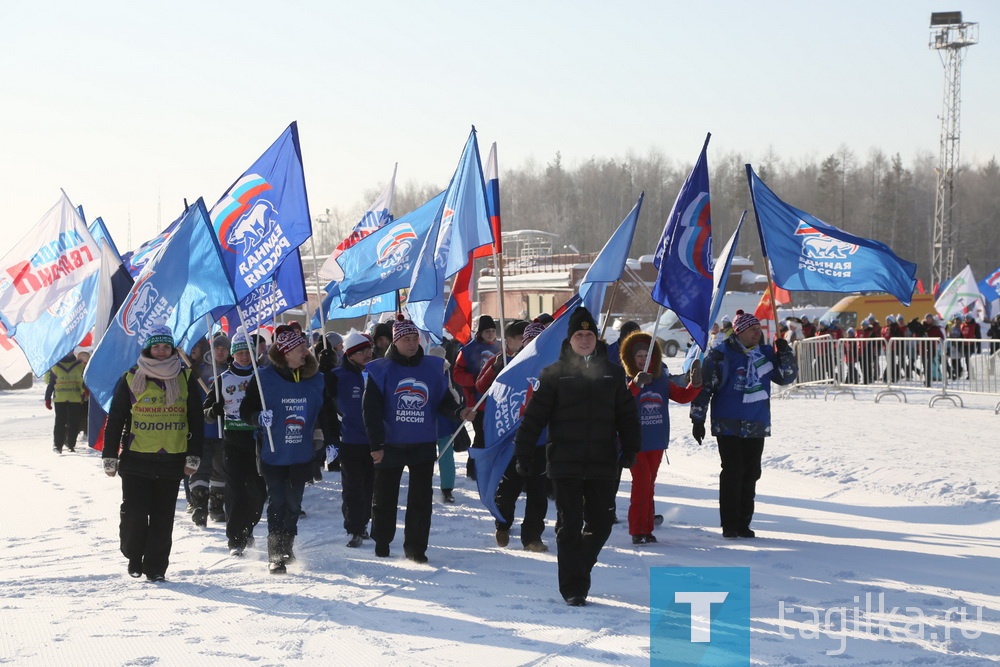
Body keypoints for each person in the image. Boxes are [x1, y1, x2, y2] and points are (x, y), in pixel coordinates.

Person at [513, 306, 641, 606]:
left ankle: (579, 566)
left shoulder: (611, 372)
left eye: (589, 335)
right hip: (564, 462)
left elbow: (627, 415)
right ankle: (573, 588)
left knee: (603, 523)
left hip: (603, 461)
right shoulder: (554, 374)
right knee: (569, 525)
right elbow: (533, 418)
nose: (584, 340)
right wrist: (524, 453)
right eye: (579, 335)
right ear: (569, 340)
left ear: (596, 339)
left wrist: (632, 447)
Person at [362, 316, 475, 563]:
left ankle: (416, 548)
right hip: (390, 444)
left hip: (422, 443)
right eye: (406, 339)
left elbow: (444, 401)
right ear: (395, 341)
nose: (412, 344)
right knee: (384, 497)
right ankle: (382, 541)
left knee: (421, 501)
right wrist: (376, 445)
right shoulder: (381, 370)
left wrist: (459, 412)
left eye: (415, 338)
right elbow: (370, 411)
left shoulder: (432, 368)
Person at [102, 325, 204, 581]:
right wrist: (109, 455)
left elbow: (196, 418)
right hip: (137, 458)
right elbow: (116, 419)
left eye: (166, 347)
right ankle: (134, 555)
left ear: (172, 349)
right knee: (135, 513)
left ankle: (156, 568)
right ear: (148, 348)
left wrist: (194, 455)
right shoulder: (131, 377)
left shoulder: (186, 377)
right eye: (157, 346)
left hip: (172, 458)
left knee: (162, 518)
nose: (161, 351)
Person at [690, 310, 797, 539]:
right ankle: (729, 524)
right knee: (733, 471)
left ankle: (743, 523)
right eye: (752, 330)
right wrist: (697, 418)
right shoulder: (721, 355)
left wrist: (785, 353)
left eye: (759, 329)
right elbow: (705, 387)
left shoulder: (766, 353)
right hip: (728, 423)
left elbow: (786, 377)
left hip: (756, 422)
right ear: (739, 332)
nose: (757, 334)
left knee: (751, 473)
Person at [240, 325, 338, 574]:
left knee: (293, 503)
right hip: (273, 452)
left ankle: (287, 546)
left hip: (302, 453)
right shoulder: (263, 378)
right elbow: (245, 410)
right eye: (300, 348)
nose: (306, 351)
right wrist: (258, 417)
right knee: (277, 501)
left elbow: (327, 413)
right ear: (285, 353)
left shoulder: (316, 379)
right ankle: (276, 554)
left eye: (305, 346)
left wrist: (333, 441)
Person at [620, 331, 701, 544]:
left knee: (649, 484)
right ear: (630, 358)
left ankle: (647, 528)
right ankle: (637, 529)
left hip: (656, 442)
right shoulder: (625, 380)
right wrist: (636, 384)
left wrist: (695, 384)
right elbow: (621, 403)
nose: (642, 360)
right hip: (635, 443)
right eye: (638, 355)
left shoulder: (661, 381)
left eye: (647, 355)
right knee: (642, 484)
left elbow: (683, 397)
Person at [476, 320, 550, 550]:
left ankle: (532, 537)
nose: (535, 347)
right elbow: (481, 386)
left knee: (538, 491)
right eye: (531, 342)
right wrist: (498, 366)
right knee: (509, 488)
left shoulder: (555, 365)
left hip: (542, 440)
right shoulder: (508, 362)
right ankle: (503, 523)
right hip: (512, 439)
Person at [203, 331, 267, 556]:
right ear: (232, 354)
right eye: (239, 352)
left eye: (247, 352)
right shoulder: (223, 379)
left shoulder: (262, 376)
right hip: (233, 439)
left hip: (259, 440)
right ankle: (236, 539)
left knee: (259, 492)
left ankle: (248, 528)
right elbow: (207, 412)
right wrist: (214, 410)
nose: (244, 357)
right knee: (236, 490)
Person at [330, 332, 376, 547]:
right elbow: (324, 399)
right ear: (350, 355)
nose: (368, 354)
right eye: (362, 351)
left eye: (369, 350)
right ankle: (355, 528)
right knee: (353, 488)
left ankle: (364, 523)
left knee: (370, 487)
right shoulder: (338, 375)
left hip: (375, 440)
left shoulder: (377, 372)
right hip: (349, 440)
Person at [452, 315, 502, 480]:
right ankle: (473, 470)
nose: (490, 334)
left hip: (498, 401)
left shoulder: (501, 348)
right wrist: (475, 380)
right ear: (480, 332)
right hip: (477, 401)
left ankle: (493, 468)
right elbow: (457, 375)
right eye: (487, 331)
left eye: (493, 330)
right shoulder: (467, 350)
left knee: (495, 437)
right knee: (480, 437)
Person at [189, 334, 230, 525]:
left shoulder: (232, 371)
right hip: (203, 430)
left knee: (220, 471)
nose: (220, 352)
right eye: (217, 348)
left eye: (224, 348)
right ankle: (199, 507)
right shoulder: (199, 371)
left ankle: (216, 506)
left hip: (225, 431)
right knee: (200, 469)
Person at [45, 350, 87, 453]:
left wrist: (85, 392)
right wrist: (47, 398)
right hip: (60, 398)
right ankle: (58, 445)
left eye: (71, 349)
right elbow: (51, 383)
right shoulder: (56, 366)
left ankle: (71, 443)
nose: (69, 352)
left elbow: (84, 381)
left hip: (75, 397)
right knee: (60, 421)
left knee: (74, 422)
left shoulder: (79, 365)